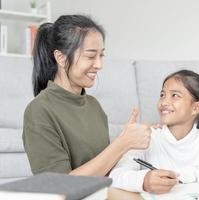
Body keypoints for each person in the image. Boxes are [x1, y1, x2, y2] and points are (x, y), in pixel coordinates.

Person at [22, 14, 151, 176]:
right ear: (61, 58)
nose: (99, 65)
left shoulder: (94, 105)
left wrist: (143, 173)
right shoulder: (39, 111)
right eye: (90, 56)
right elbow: (58, 186)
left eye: (101, 55)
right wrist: (121, 144)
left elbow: (105, 169)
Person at [109, 70, 199, 194]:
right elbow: (115, 176)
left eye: (175, 95)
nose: (164, 102)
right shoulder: (147, 137)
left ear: (196, 107)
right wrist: (144, 180)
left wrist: (191, 174)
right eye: (162, 95)